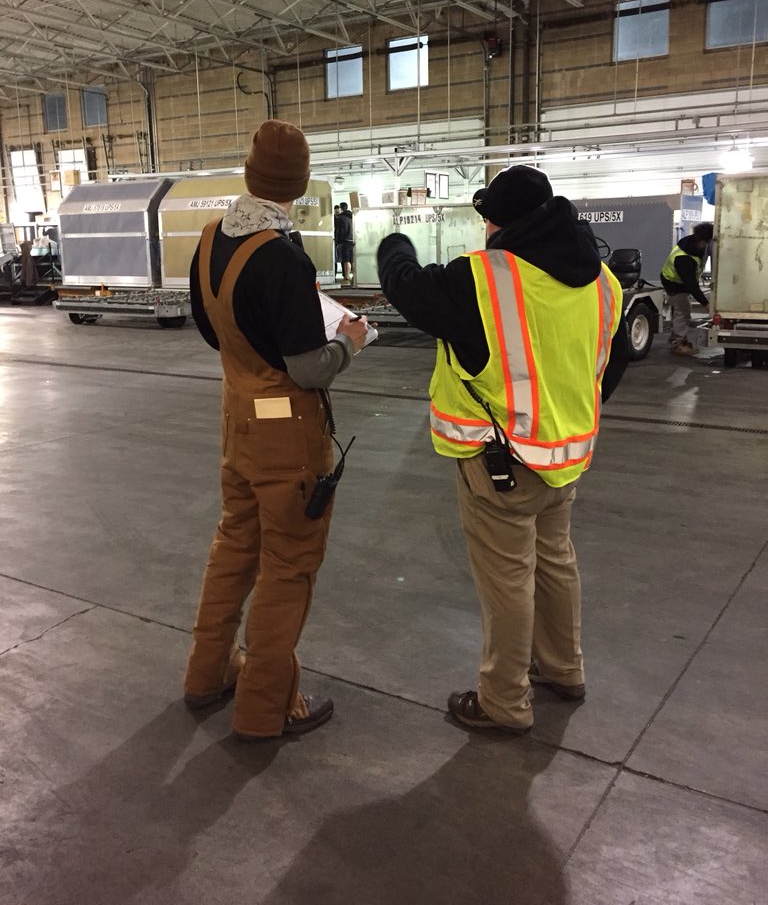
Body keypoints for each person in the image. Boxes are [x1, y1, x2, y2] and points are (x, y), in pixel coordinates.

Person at [377, 165, 628, 735]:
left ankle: (503, 701)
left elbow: (407, 289)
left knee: (508, 580)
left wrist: (395, 242)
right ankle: (564, 669)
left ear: (500, 222)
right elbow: (605, 373)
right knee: (556, 562)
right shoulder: (604, 283)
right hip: (564, 458)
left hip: (501, 464)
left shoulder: (485, 278)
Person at [184, 119, 369, 740]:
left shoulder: (211, 238)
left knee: (233, 551)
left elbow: (213, 331)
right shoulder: (283, 257)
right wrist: (348, 342)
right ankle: (267, 708)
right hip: (287, 437)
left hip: (237, 424)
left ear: (248, 172)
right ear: (301, 183)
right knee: (288, 568)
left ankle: (206, 674)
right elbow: (307, 366)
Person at [660, 222, 713, 356]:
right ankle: (678, 344)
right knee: (683, 313)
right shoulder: (684, 259)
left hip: (678, 282)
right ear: (703, 241)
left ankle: (676, 338)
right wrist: (706, 304)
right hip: (674, 284)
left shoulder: (691, 244)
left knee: (679, 312)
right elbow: (692, 285)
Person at [335, 201, 354, 286]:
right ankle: (351, 276)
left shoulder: (341, 218)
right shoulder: (352, 216)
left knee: (346, 260)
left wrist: (338, 241)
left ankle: (346, 277)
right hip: (352, 240)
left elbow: (340, 231)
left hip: (345, 240)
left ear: (340, 208)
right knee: (351, 260)